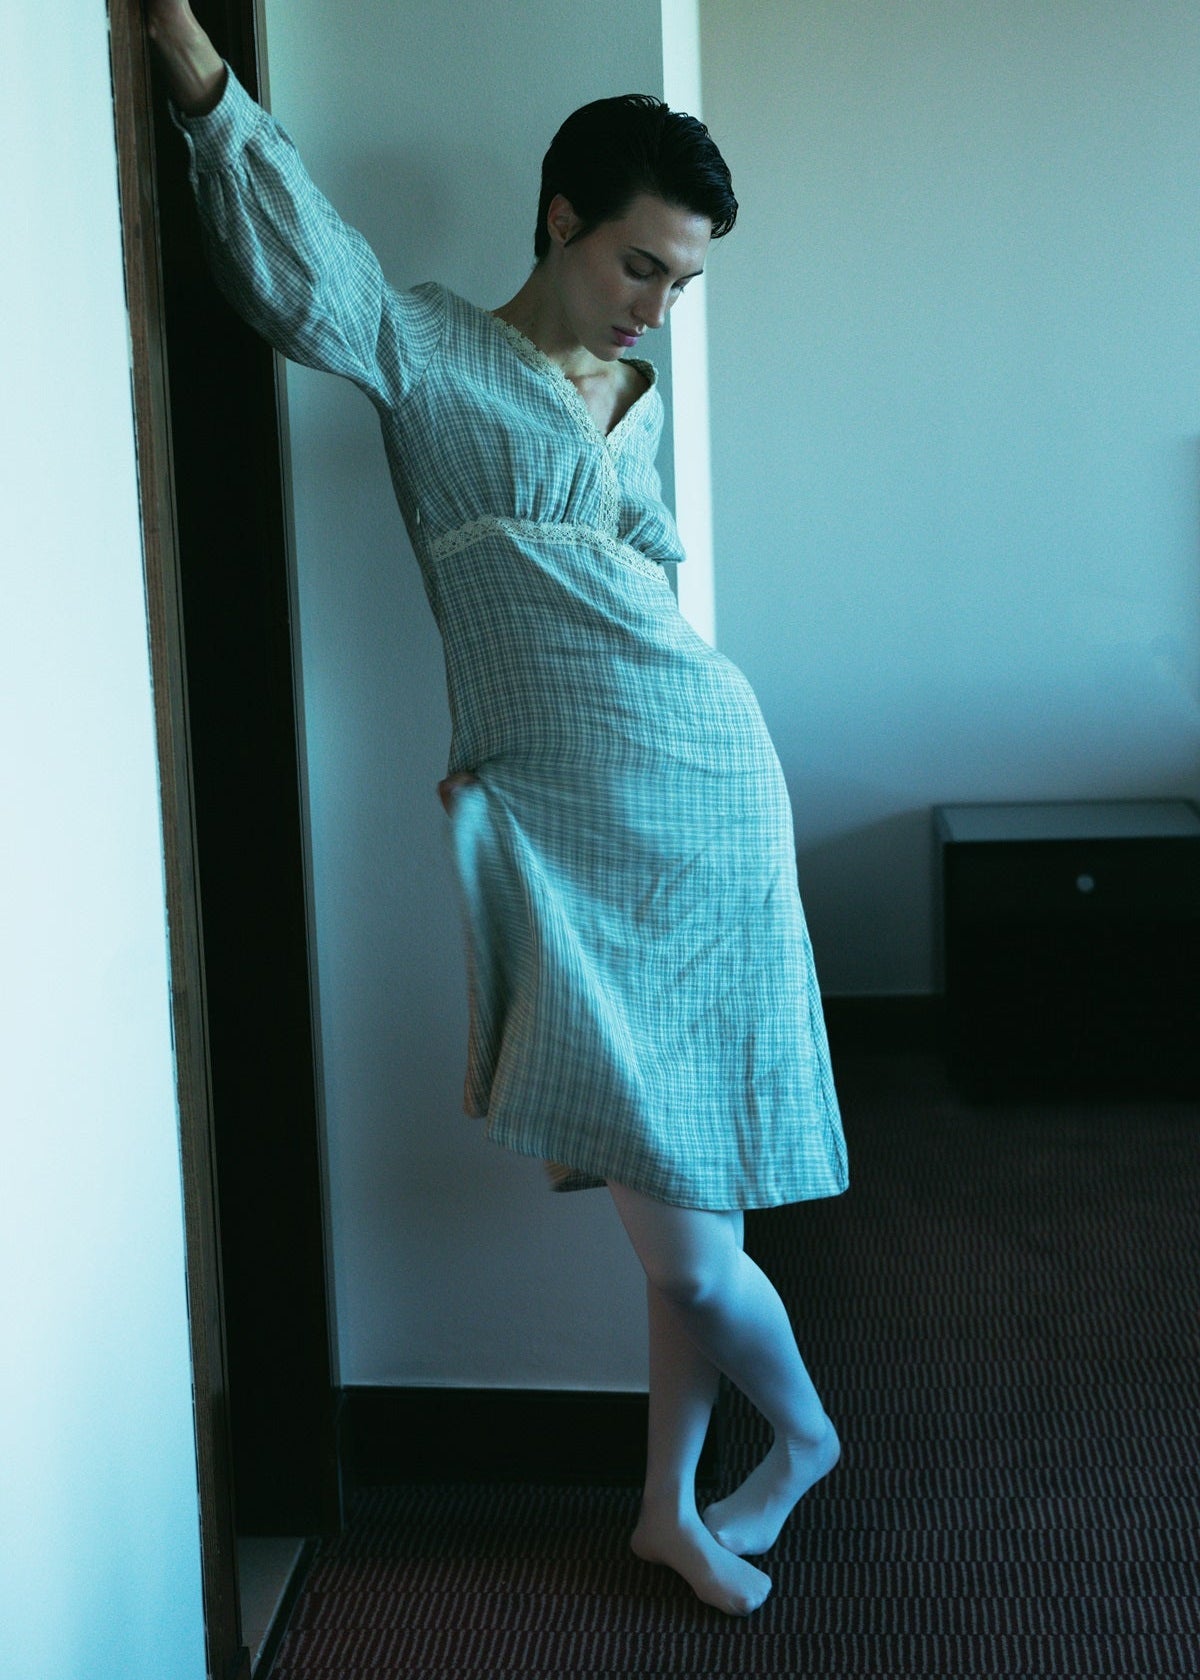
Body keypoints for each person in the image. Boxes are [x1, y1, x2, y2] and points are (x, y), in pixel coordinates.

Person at [147, 0, 849, 1618]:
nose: (658, 309)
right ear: (559, 219)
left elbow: (631, 599)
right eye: (640, 268)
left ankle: (686, 1496)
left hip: (708, 792)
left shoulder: (636, 407)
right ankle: (785, 1449)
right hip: (572, 828)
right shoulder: (430, 348)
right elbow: (296, 253)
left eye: (682, 282)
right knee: (676, 1231)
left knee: (693, 1218)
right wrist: (185, 51)